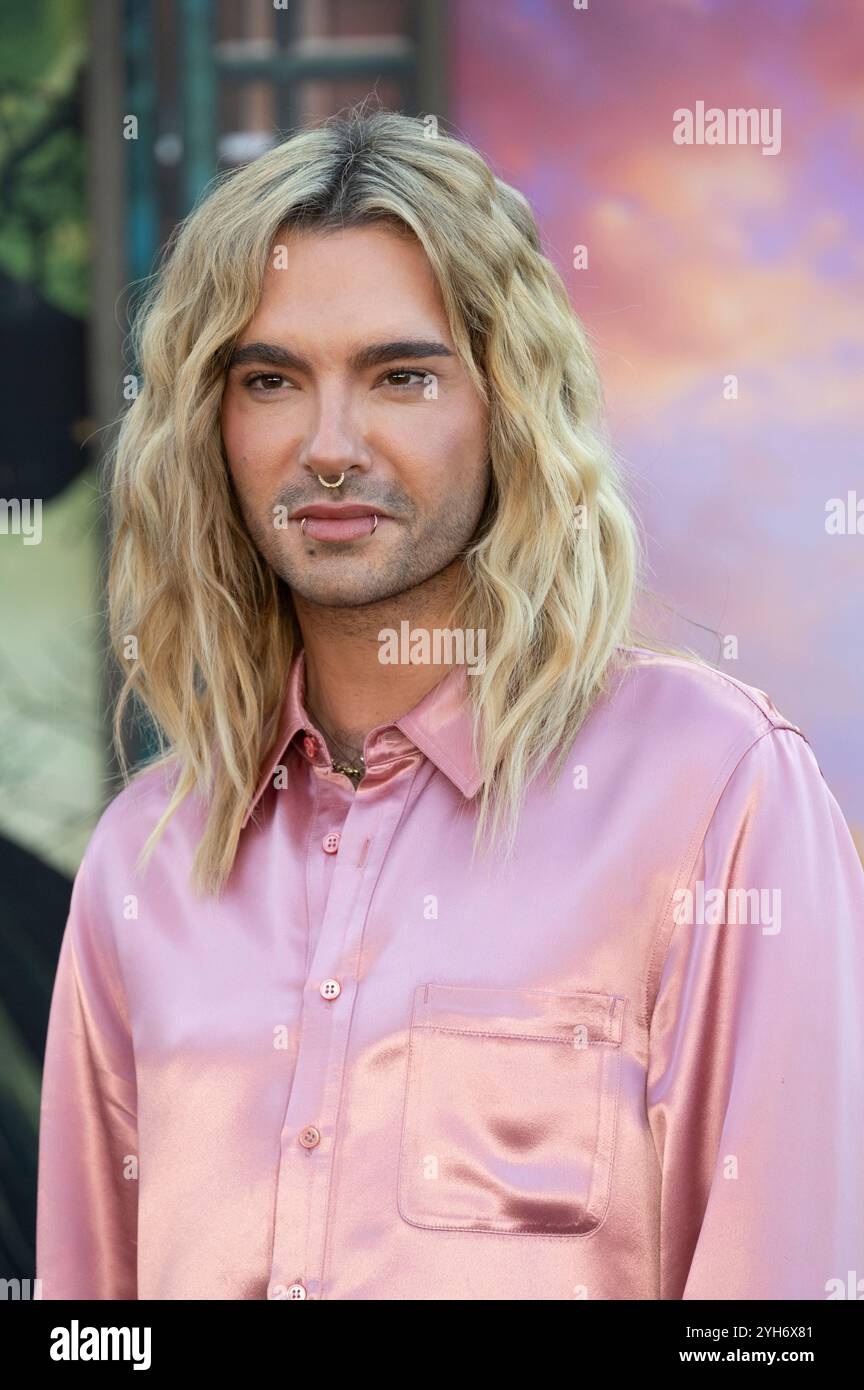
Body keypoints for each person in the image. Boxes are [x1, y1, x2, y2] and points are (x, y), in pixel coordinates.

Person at [36, 106, 864, 1301]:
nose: (330, 444)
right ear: (211, 426)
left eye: (401, 375)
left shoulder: (716, 794)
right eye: (271, 378)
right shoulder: (143, 863)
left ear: (505, 405)